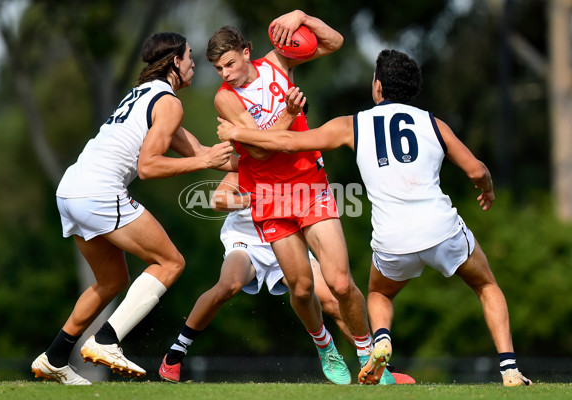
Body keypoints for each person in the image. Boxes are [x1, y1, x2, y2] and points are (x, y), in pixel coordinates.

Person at [216, 49, 532, 387]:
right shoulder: (433, 123)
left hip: (392, 239)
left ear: (378, 86)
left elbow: (288, 141)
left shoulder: (353, 125)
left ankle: (380, 341)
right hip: (441, 229)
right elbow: (475, 169)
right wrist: (486, 187)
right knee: (486, 285)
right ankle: (509, 369)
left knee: (379, 295)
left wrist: (239, 134)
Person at [31, 32, 236, 385]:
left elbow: (202, 150)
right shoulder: (169, 103)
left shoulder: (145, 95)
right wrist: (203, 163)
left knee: (112, 280)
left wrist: (261, 165)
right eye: (189, 56)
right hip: (98, 192)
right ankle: (107, 340)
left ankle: (54, 357)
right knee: (171, 262)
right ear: (174, 61)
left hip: (71, 190)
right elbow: (149, 166)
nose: (193, 64)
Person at [204, 10, 377, 385]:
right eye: (218, 69)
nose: (226, 74)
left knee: (341, 283)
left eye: (229, 63)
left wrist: (302, 16)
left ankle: (367, 353)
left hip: (308, 182)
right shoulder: (225, 99)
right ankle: (324, 344)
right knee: (300, 288)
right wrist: (290, 113)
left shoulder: (279, 63)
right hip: (266, 196)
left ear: (247, 52)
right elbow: (263, 152)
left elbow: (334, 42)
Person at [158, 172, 355, 383]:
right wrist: (254, 199)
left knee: (332, 302)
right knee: (228, 285)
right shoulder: (244, 166)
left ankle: (373, 362)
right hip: (246, 242)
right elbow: (218, 200)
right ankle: (175, 354)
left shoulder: (295, 165)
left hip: (287, 238)